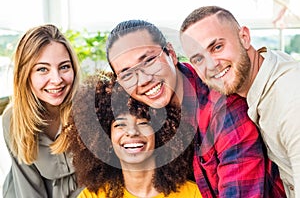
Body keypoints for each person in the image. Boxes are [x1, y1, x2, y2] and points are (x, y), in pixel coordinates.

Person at [105, 20, 286, 197]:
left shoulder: (222, 108)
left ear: (172, 54)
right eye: (127, 74)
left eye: (149, 61)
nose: (143, 80)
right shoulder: (144, 113)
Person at [179, 5, 299, 197]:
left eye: (217, 47)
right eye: (199, 59)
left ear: (244, 37)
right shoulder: (260, 81)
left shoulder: (290, 99)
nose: (212, 64)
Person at [65, 74, 202, 198]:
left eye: (143, 123)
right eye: (120, 125)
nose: (132, 132)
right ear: (106, 138)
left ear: (161, 133)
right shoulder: (91, 196)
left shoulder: (193, 194)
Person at [1, 24, 82, 197]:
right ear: (25, 74)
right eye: (42, 69)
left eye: (64, 67)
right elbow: (27, 188)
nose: (57, 80)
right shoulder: (13, 119)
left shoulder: (89, 111)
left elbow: (96, 183)